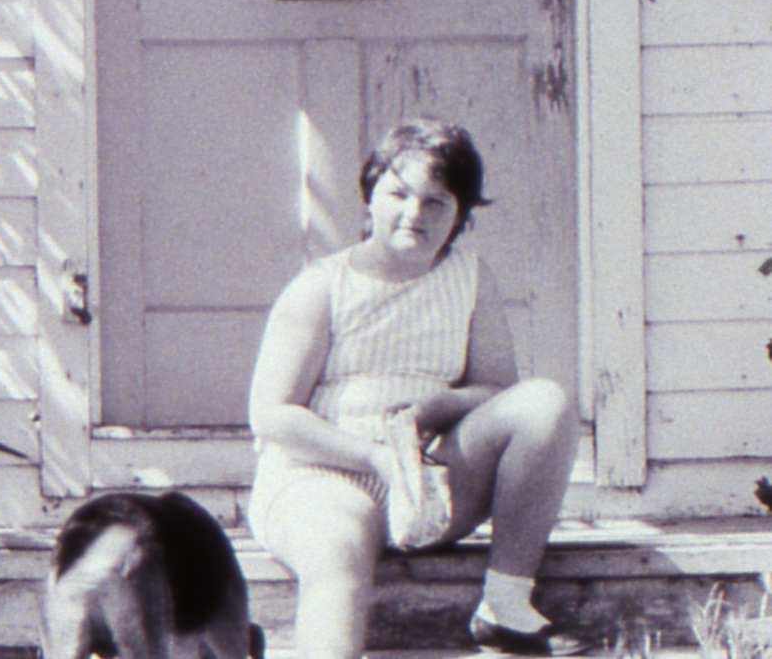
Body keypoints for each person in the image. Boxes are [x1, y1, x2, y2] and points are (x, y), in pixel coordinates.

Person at [246, 118, 587, 659]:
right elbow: (272, 417)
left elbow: (498, 390)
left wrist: (441, 406)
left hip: (425, 475)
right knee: (339, 548)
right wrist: (374, 457)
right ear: (370, 198)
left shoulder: (471, 277)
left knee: (547, 403)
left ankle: (505, 605)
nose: (413, 214)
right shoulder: (321, 286)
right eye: (398, 195)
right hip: (318, 478)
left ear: (461, 216)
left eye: (436, 202)